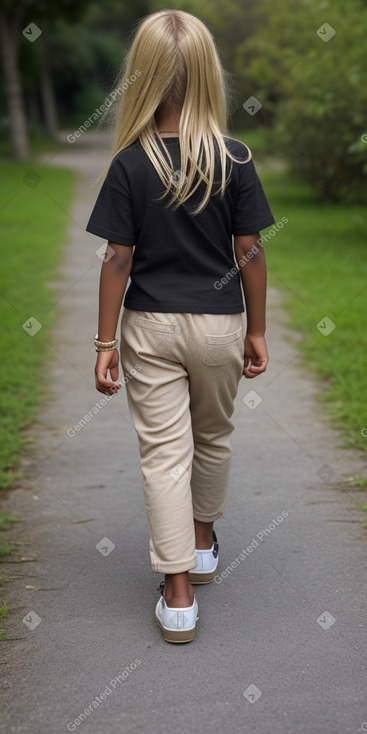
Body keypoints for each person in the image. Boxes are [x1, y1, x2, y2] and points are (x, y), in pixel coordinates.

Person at [86, 8, 275, 644]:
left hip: (149, 328)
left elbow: (117, 257)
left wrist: (104, 341)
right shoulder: (235, 158)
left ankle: (178, 596)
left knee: (165, 454)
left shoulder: (130, 165)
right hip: (220, 326)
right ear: (206, 76)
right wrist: (257, 330)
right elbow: (249, 250)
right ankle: (200, 545)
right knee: (214, 437)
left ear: (138, 78)